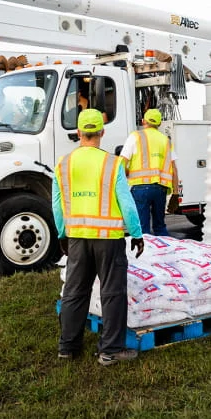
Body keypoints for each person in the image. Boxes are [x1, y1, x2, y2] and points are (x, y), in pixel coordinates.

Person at [52, 108, 144, 366]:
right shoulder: (112, 164)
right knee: (112, 292)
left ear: (79, 132)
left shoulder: (63, 164)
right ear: (102, 132)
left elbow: (57, 205)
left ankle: (68, 347)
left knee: (74, 292)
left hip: (77, 239)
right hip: (108, 239)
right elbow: (126, 203)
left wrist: (62, 233)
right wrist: (136, 233)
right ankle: (110, 351)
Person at [120, 109, 180, 236]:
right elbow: (174, 168)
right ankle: (164, 253)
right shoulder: (165, 140)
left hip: (140, 189)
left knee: (142, 229)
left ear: (143, 121)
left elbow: (121, 163)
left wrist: (127, 173)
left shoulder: (135, 136)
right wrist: (175, 193)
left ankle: (144, 255)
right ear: (159, 124)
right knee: (160, 227)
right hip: (160, 189)